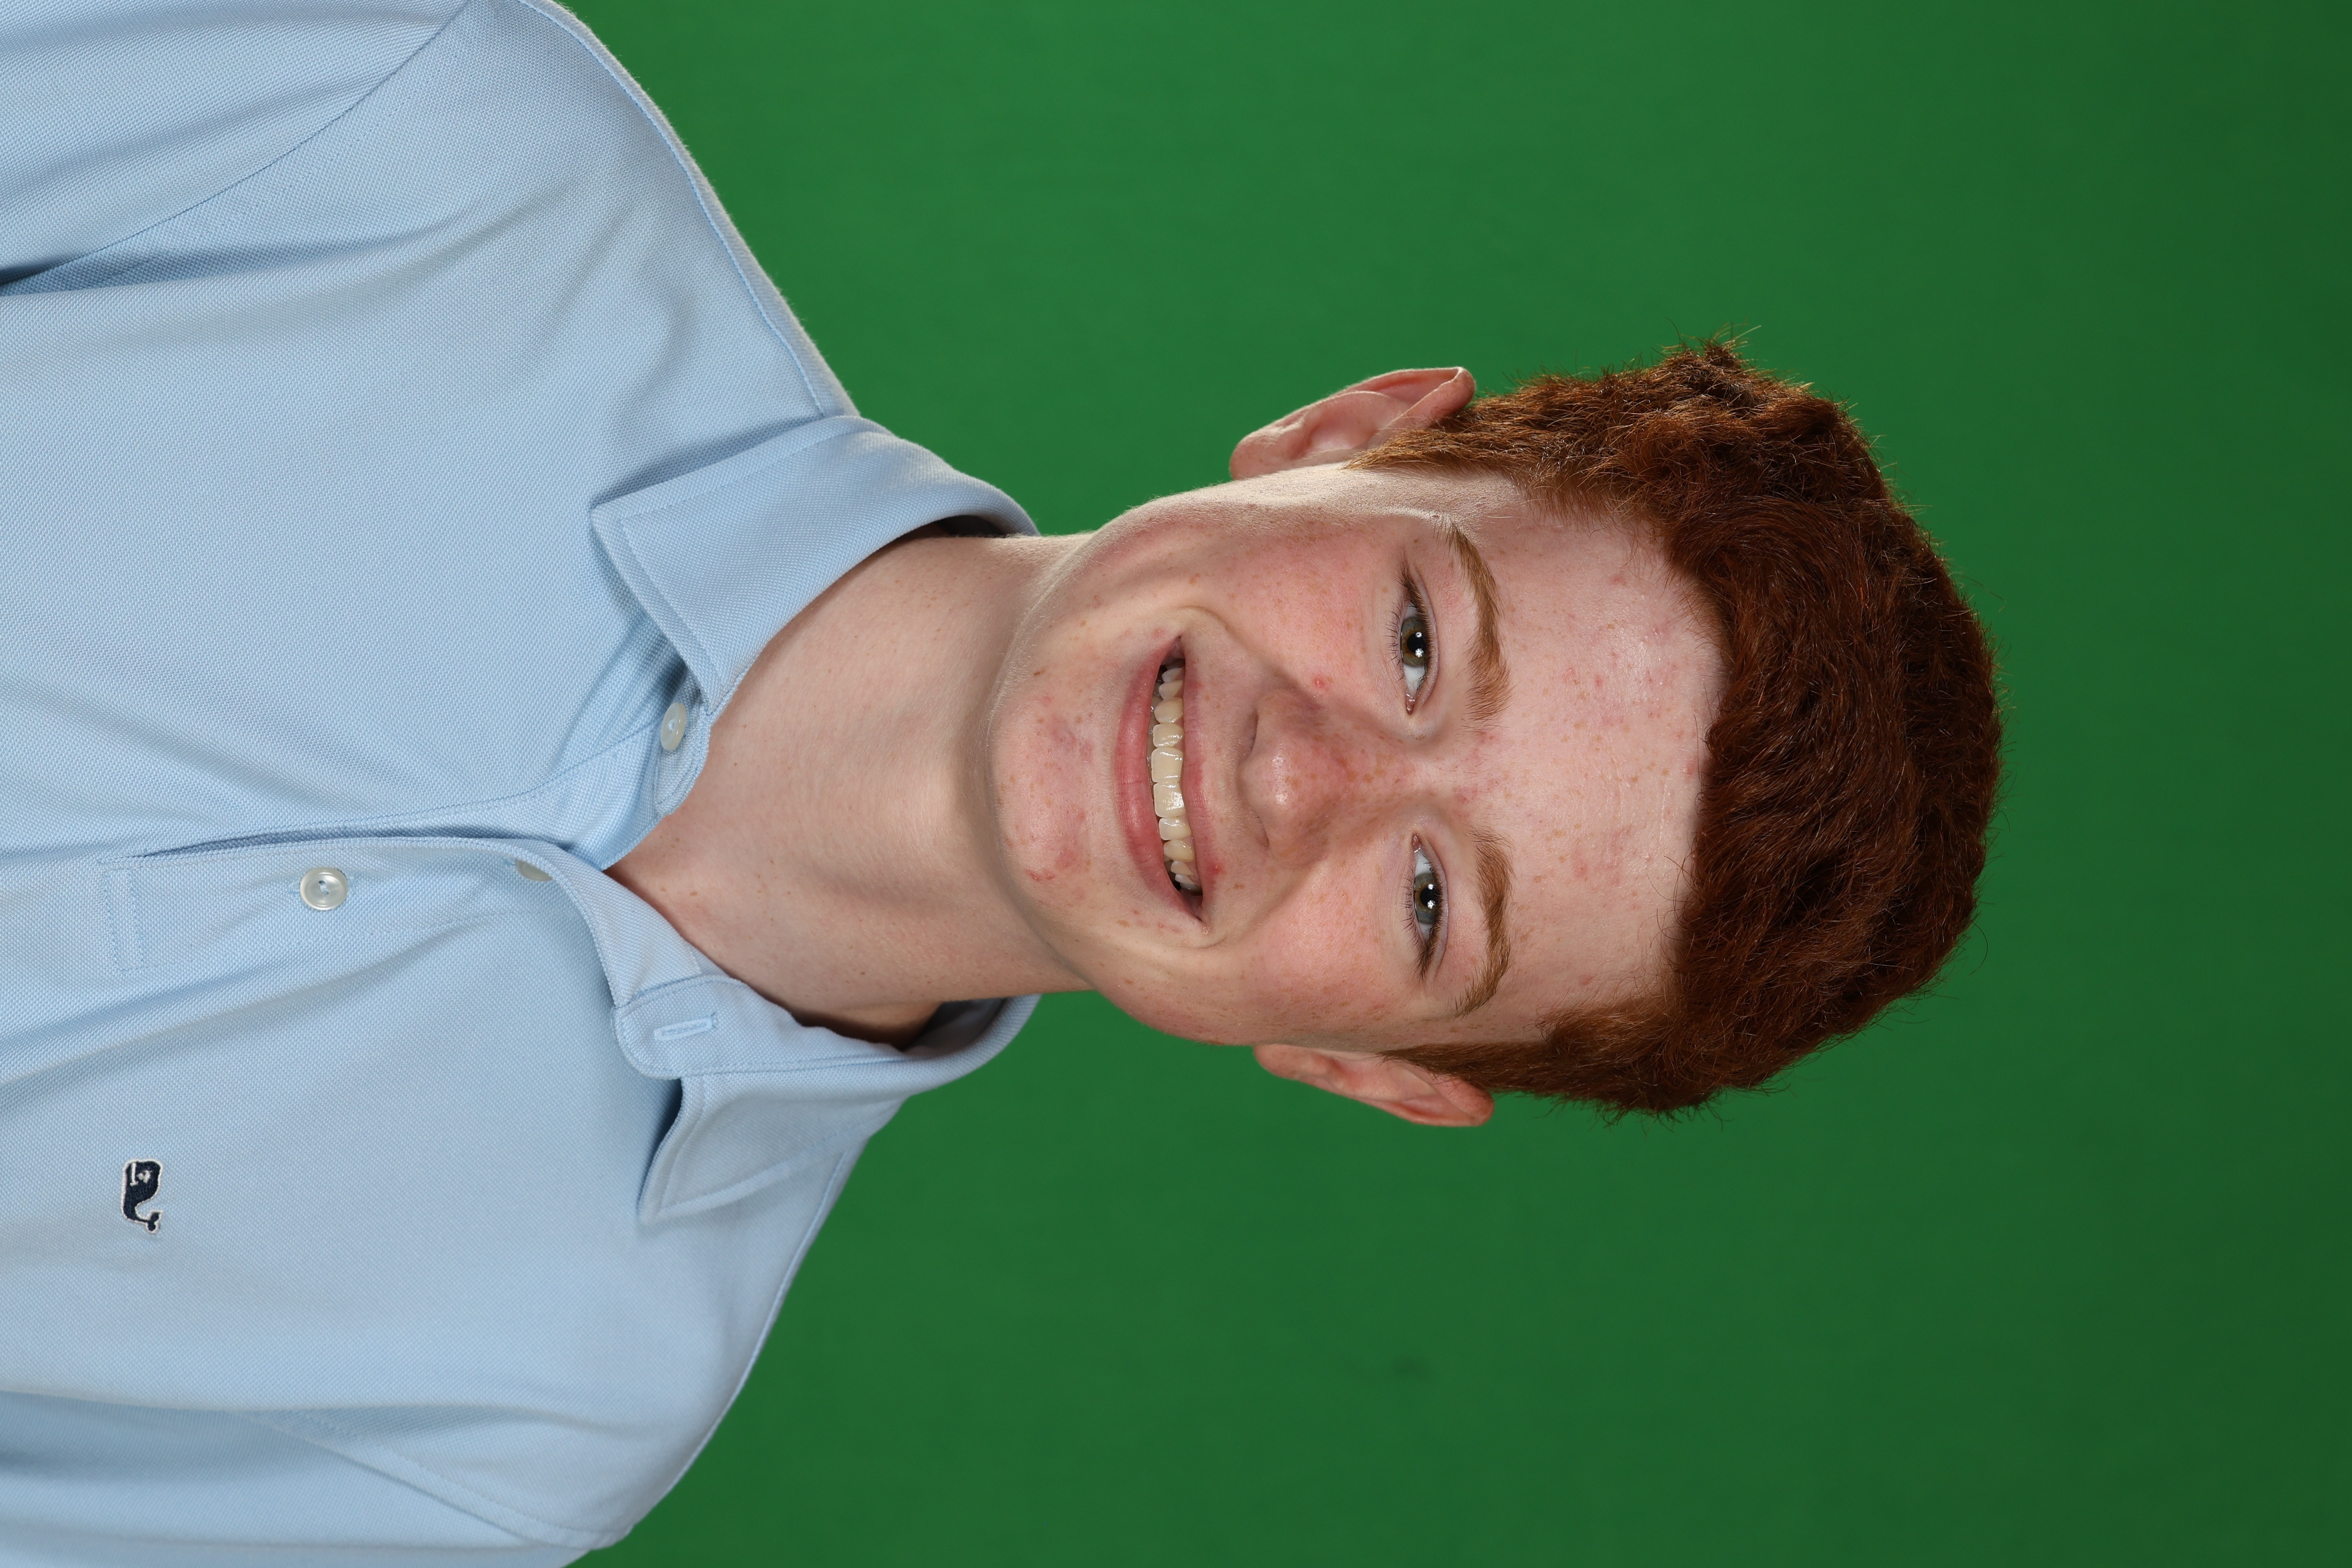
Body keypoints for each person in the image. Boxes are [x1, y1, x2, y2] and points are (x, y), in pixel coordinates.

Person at [0, 0, 2000, 1562]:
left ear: (1364, 1066)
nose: (1303, 776)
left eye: (1428, 900)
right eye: (1415, 638)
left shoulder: (520, 1430)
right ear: (1352, 435)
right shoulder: (420, 134)